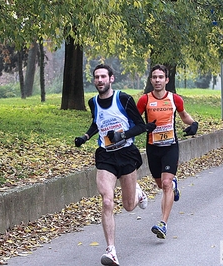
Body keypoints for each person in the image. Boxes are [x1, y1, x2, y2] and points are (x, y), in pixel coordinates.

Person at [74, 64, 156, 266]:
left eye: (103, 76)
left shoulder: (123, 99)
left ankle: (138, 193)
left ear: (111, 79)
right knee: (107, 201)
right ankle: (111, 251)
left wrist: (122, 135)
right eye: (96, 77)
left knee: (128, 206)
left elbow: (140, 126)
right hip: (106, 156)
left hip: (126, 154)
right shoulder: (93, 102)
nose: (99, 80)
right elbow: (96, 122)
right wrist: (85, 136)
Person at [137, 64, 198, 239]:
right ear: (151, 80)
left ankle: (163, 224)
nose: (157, 80)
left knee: (165, 184)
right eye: (154, 77)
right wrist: (142, 127)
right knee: (160, 184)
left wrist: (193, 124)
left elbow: (184, 115)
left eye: (160, 77)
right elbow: (134, 120)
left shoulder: (174, 99)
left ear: (166, 80)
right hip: (152, 147)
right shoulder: (144, 100)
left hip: (170, 146)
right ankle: (173, 184)